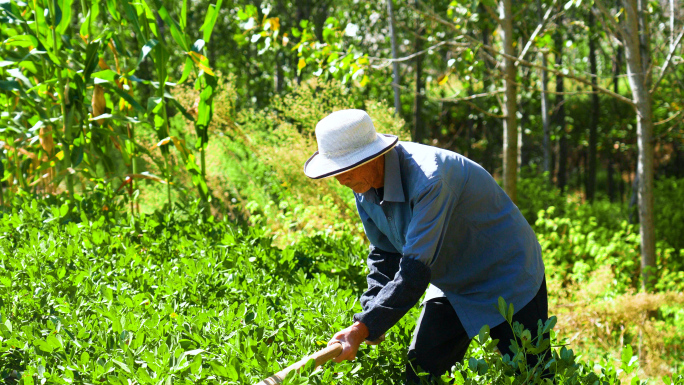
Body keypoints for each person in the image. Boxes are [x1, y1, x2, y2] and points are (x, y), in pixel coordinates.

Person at [303, 109, 548, 383]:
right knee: (421, 373)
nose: (340, 179)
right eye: (335, 171)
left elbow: (413, 273)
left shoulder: (429, 179)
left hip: (506, 271)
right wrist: (369, 316)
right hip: (450, 277)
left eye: (345, 168)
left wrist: (362, 329)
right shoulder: (363, 185)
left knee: (532, 374)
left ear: (372, 156)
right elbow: (385, 254)